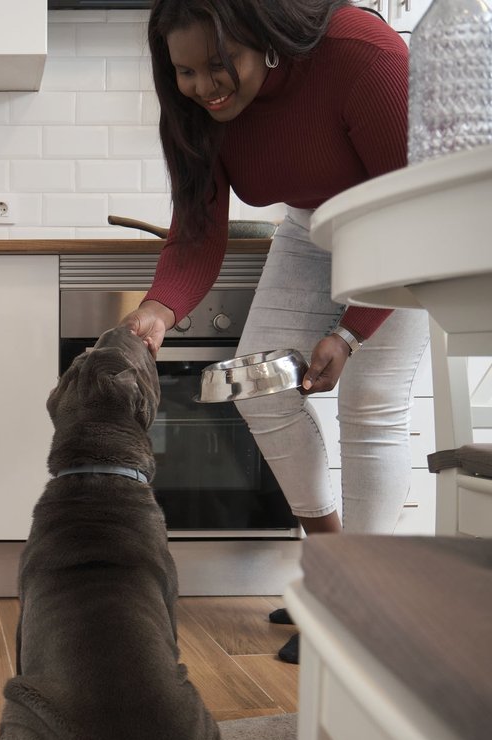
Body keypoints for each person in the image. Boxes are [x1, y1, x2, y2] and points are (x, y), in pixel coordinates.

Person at [120, 0, 430, 664]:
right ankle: (335, 575)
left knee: (369, 405)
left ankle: (363, 605)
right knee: (258, 387)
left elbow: (413, 209)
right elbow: (197, 233)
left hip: (401, 224)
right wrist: (157, 311)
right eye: (185, 71)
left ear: (261, 39)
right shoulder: (194, 115)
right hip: (312, 228)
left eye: (217, 63)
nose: (204, 86)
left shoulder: (362, 58)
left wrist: (350, 332)